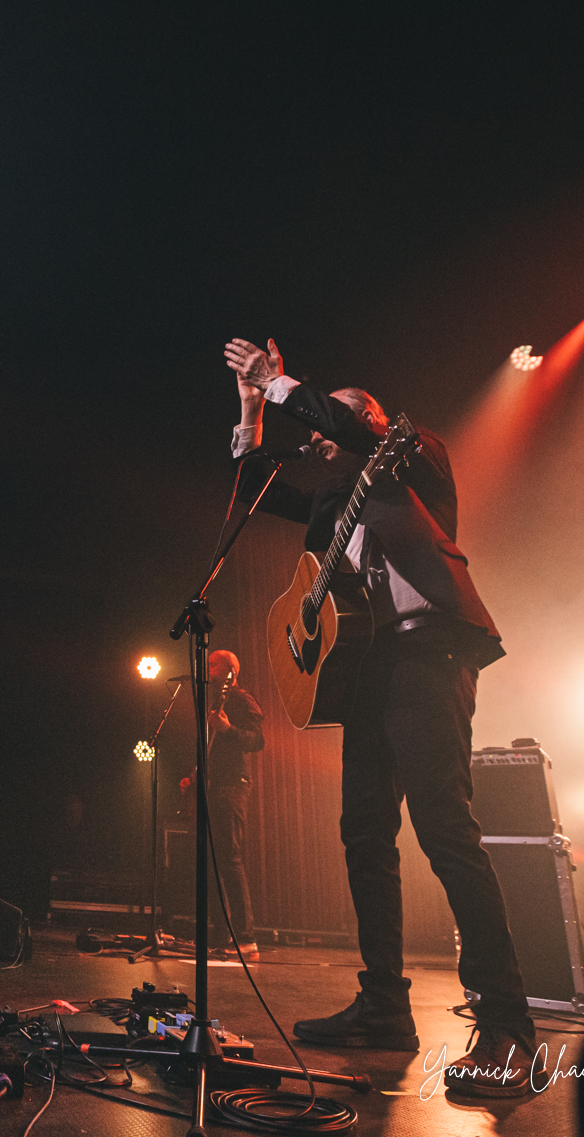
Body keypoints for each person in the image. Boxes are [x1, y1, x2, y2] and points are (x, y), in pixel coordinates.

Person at [224, 337, 534, 1097]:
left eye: (340, 416)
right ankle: (384, 1007)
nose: (324, 432)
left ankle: (508, 1026)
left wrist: (281, 385)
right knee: (364, 834)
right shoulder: (334, 500)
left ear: (374, 416)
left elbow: (353, 423)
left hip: (427, 652)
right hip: (363, 672)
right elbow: (251, 493)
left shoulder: (414, 454)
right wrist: (251, 416)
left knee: (445, 830)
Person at [202, 650, 265, 960]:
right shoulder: (218, 702)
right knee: (213, 864)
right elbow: (214, 751)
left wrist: (228, 729)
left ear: (230, 670)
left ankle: (247, 938)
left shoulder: (241, 699)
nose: (207, 667)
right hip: (215, 785)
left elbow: (257, 740)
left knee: (230, 860)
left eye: (213, 663)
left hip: (233, 786)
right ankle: (221, 936)